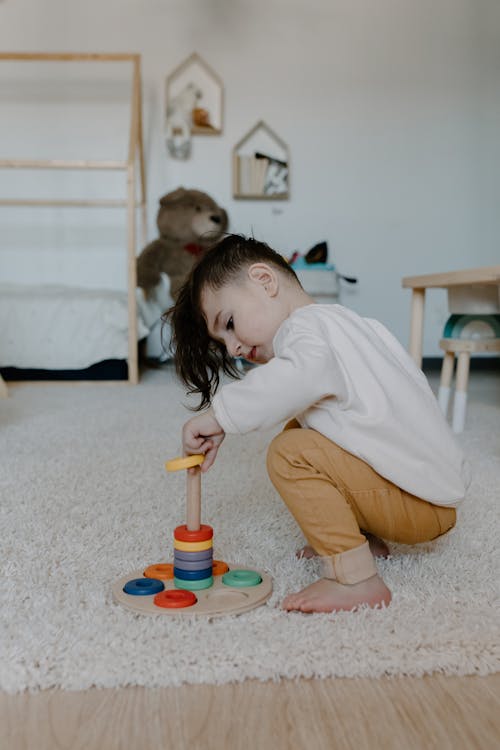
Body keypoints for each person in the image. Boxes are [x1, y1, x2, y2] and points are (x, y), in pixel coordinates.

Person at [167, 234, 471, 613]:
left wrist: (220, 416)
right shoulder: (352, 324)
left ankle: (355, 578)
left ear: (265, 280)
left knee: (290, 454)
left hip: (419, 502)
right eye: (222, 343)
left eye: (229, 323)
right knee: (306, 427)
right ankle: (361, 539)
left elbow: (293, 378)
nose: (234, 349)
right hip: (429, 490)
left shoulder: (305, 329)